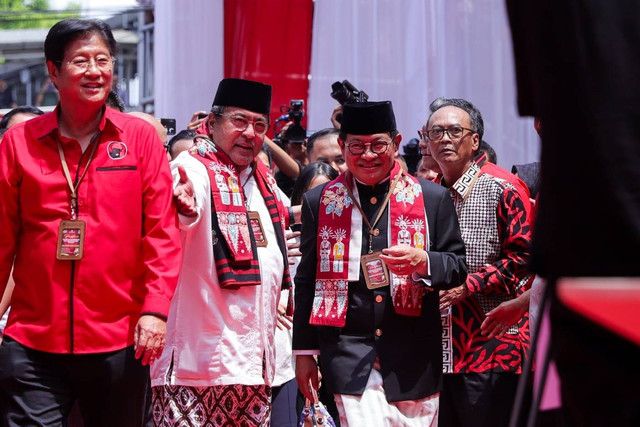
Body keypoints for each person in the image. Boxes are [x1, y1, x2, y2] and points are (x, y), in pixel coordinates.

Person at [0, 18, 181, 426]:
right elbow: (1, 238)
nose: (95, 71)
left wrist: (155, 309)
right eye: (81, 61)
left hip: (119, 338)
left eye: (103, 59)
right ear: (53, 71)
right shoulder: (19, 142)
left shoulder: (138, 138)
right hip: (32, 338)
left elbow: (161, 232)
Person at [293, 101, 468, 426]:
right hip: (349, 357)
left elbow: (457, 266)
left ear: (397, 143)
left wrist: (424, 262)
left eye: (378, 145)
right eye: (357, 146)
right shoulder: (319, 202)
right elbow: (307, 281)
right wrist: (305, 354)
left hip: (414, 357)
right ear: (343, 147)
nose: (368, 155)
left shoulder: (432, 198)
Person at [151, 78, 298, 426]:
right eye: (239, 121)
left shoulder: (265, 182)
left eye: (259, 125)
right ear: (212, 123)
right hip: (195, 364)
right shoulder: (194, 167)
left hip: (254, 365)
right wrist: (185, 206)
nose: (250, 133)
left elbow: (284, 241)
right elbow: (189, 201)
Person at [421, 97, 532, 427]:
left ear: (474, 139)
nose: (444, 139)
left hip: (493, 343)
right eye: (435, 132)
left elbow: (525, 255)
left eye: (454, 130)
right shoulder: (428, 193)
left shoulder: (503, 186)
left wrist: (466, 287)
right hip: (442, 350)